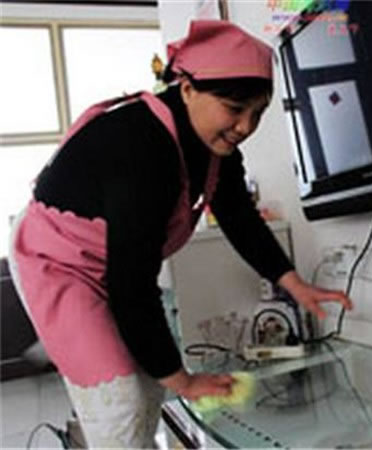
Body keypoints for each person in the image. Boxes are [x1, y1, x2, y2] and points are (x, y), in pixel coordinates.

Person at [8, 20, 352, 448]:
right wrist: (184, 381)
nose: (245, 126)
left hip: (112, 262)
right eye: (234, 108)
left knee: (148, 388)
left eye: (258, 113)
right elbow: (133, 286)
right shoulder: (141, 146)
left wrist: (294, 283)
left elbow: (239, 218)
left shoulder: (217, 150)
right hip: (55, 261)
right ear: (187, 88)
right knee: (121, 401)